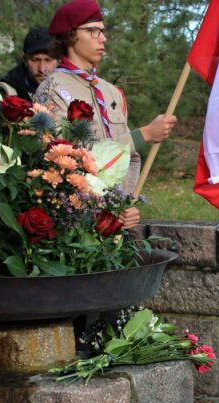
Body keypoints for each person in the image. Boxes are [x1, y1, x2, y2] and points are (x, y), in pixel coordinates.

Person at [35, 0, 176, 230]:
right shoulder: (52, 90)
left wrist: (125, 205)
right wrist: (144, 135)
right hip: (75, 224)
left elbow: (131, 159)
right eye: (93, 31)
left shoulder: (111, 92)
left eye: (102, 31)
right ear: (70, 35)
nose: (103, 38)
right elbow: (65, 160)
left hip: (115, 225)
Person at [0, 27, 58, 102]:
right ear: (25, 60)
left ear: (59, 60)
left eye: (48, 60)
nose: (42, 69)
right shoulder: (6, 93)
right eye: (35, 60)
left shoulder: (68, 87)